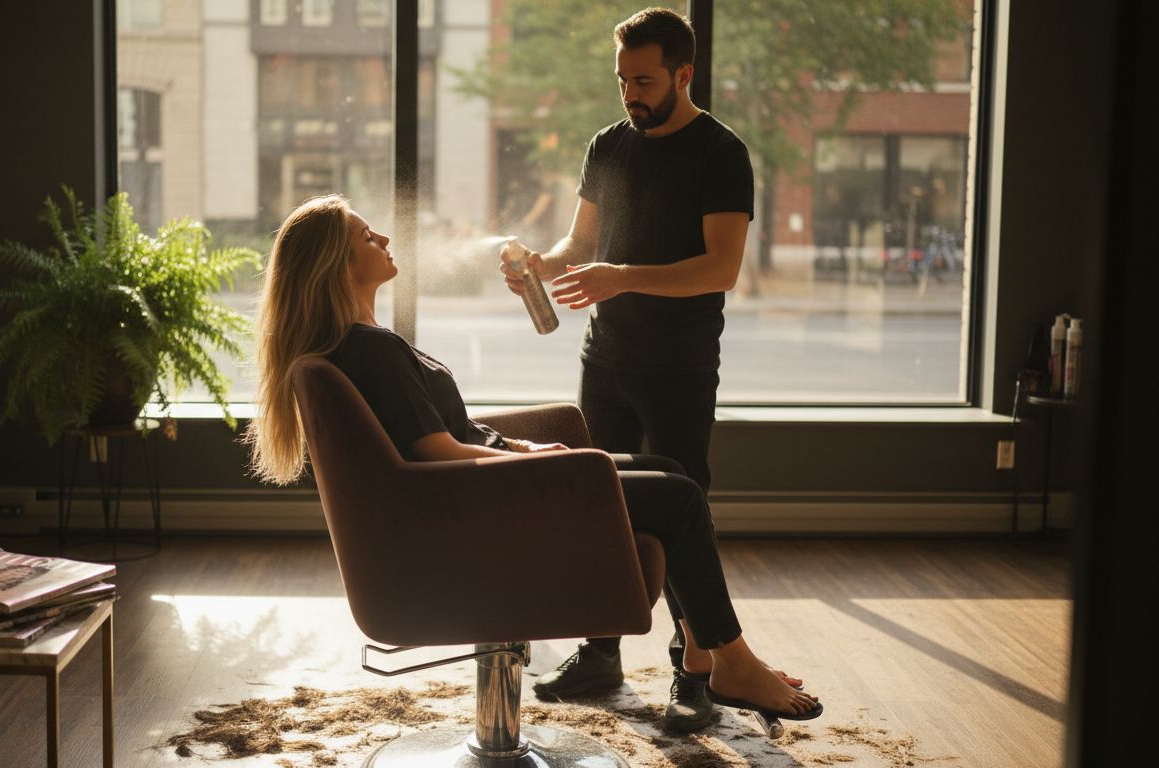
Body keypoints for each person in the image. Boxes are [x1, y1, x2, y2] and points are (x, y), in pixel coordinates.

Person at [247, 195, 822, 726]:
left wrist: (524, 449)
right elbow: (438, 451)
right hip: (484, 506)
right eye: (367, 236)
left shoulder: (357, 344)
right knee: (680, 497)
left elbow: (441, 438)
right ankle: (731, 661)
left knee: (669, 471)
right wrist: (533, 463)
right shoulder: (369, 349)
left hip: (477, 496)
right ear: (336, 264)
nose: (385, 239)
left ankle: (702, 654)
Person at [499, 8, 758, 730]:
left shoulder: (721, 154)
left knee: (682, 512)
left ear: (683, 74)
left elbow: (721, 269)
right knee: (599, 504)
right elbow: (581, 246)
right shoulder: (608, 145)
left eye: (643, 81)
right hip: (605, 359)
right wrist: (538, 266)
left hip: (679, 367)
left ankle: (695, 672)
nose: (630, 94)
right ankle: (601, 652)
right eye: (622, 80)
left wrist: (623, 278)